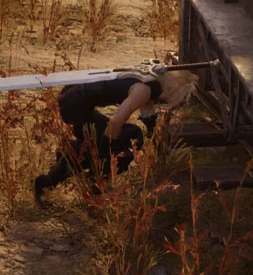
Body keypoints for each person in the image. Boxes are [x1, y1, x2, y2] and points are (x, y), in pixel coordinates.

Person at [33, 69, 197, 206]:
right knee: (132, 136)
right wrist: (105, 156)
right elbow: (115, 123)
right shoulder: (143, 91)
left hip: (75, 98)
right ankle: (92, 183)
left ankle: (59, 174)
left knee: (97, 146)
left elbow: (149, 120)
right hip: (74, 104)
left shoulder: (149, 83)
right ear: (172, 91)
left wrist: (161, 149)